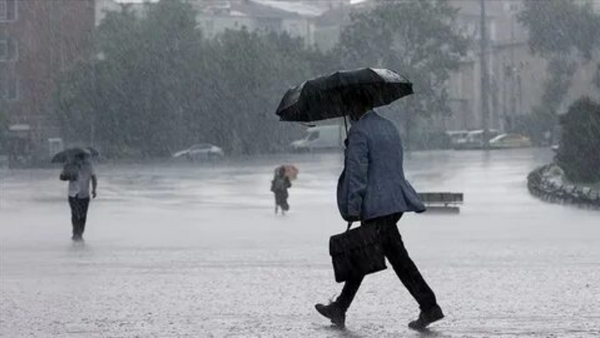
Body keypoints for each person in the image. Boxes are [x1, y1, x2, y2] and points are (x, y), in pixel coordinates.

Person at [314, 95, 444, 331]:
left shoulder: (359, 132)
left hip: (375, 206)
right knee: (369, 253)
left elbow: (357, 174)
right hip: (394, 202)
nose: (347, 111)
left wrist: (353, 207)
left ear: (355, 105)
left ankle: (429, 305)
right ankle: (340, 307)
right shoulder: (388, 126)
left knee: (393, 259)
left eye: (348, 106)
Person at [60, 153, 97, 241]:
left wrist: (94, 190)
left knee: (83, 215)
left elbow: (93, 177)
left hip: (84, 194)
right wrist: (69, 177)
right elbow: (61, 177)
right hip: (73, 194)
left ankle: (80, 232)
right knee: (75, 213)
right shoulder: (69, 165)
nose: (80, 160)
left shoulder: (89, 166)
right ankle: (75, 232)